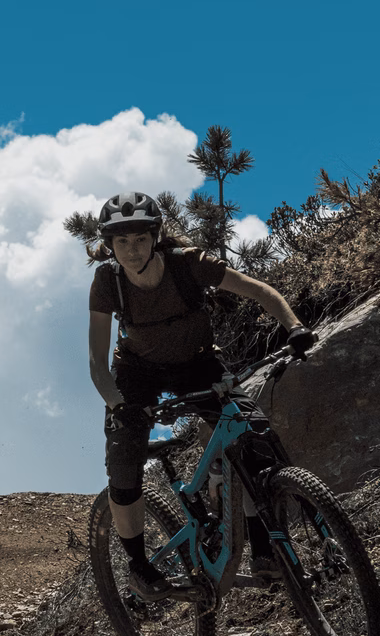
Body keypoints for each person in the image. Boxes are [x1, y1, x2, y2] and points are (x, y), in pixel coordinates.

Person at [85, 192, 316, 600]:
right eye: (122, 242)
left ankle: (264, 550)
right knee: (124, 462)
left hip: (198, 362)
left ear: (156, 236)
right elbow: (97, 364)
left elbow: (260, 291)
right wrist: (121, 408)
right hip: (137, 371)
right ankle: (139, 566)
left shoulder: (187, 264)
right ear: (110, 245)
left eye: (140, 239)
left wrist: (294, 326)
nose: (132, 250)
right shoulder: (109, 282)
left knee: (254, 439)